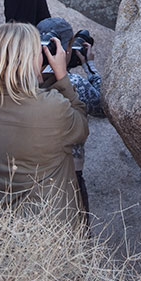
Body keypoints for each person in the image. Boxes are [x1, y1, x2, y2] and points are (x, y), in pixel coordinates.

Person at [0, 22, 88, 225]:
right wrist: (61, 77)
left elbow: (21, 96)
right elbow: (81, 127)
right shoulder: (52, 107)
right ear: (29, 59)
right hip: (46, 226)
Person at [36, 17, 106, 227]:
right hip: (70, 174)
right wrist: (89, 65)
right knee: (77, 234)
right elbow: (103, 107)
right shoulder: (74, 83)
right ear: (66, 49)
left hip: (30, 170)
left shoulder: (22, 79)